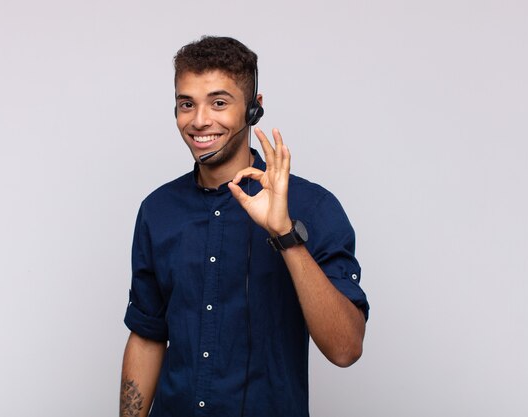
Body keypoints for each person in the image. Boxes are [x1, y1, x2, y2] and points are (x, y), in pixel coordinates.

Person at [120, 36, 369, 417]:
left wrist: (285, 235)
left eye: (219, 102)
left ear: (254, 110)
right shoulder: (157, 211)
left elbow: (345, 349)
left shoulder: (314, 207)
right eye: (187, 104)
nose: (200, 120)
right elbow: (147, 336)